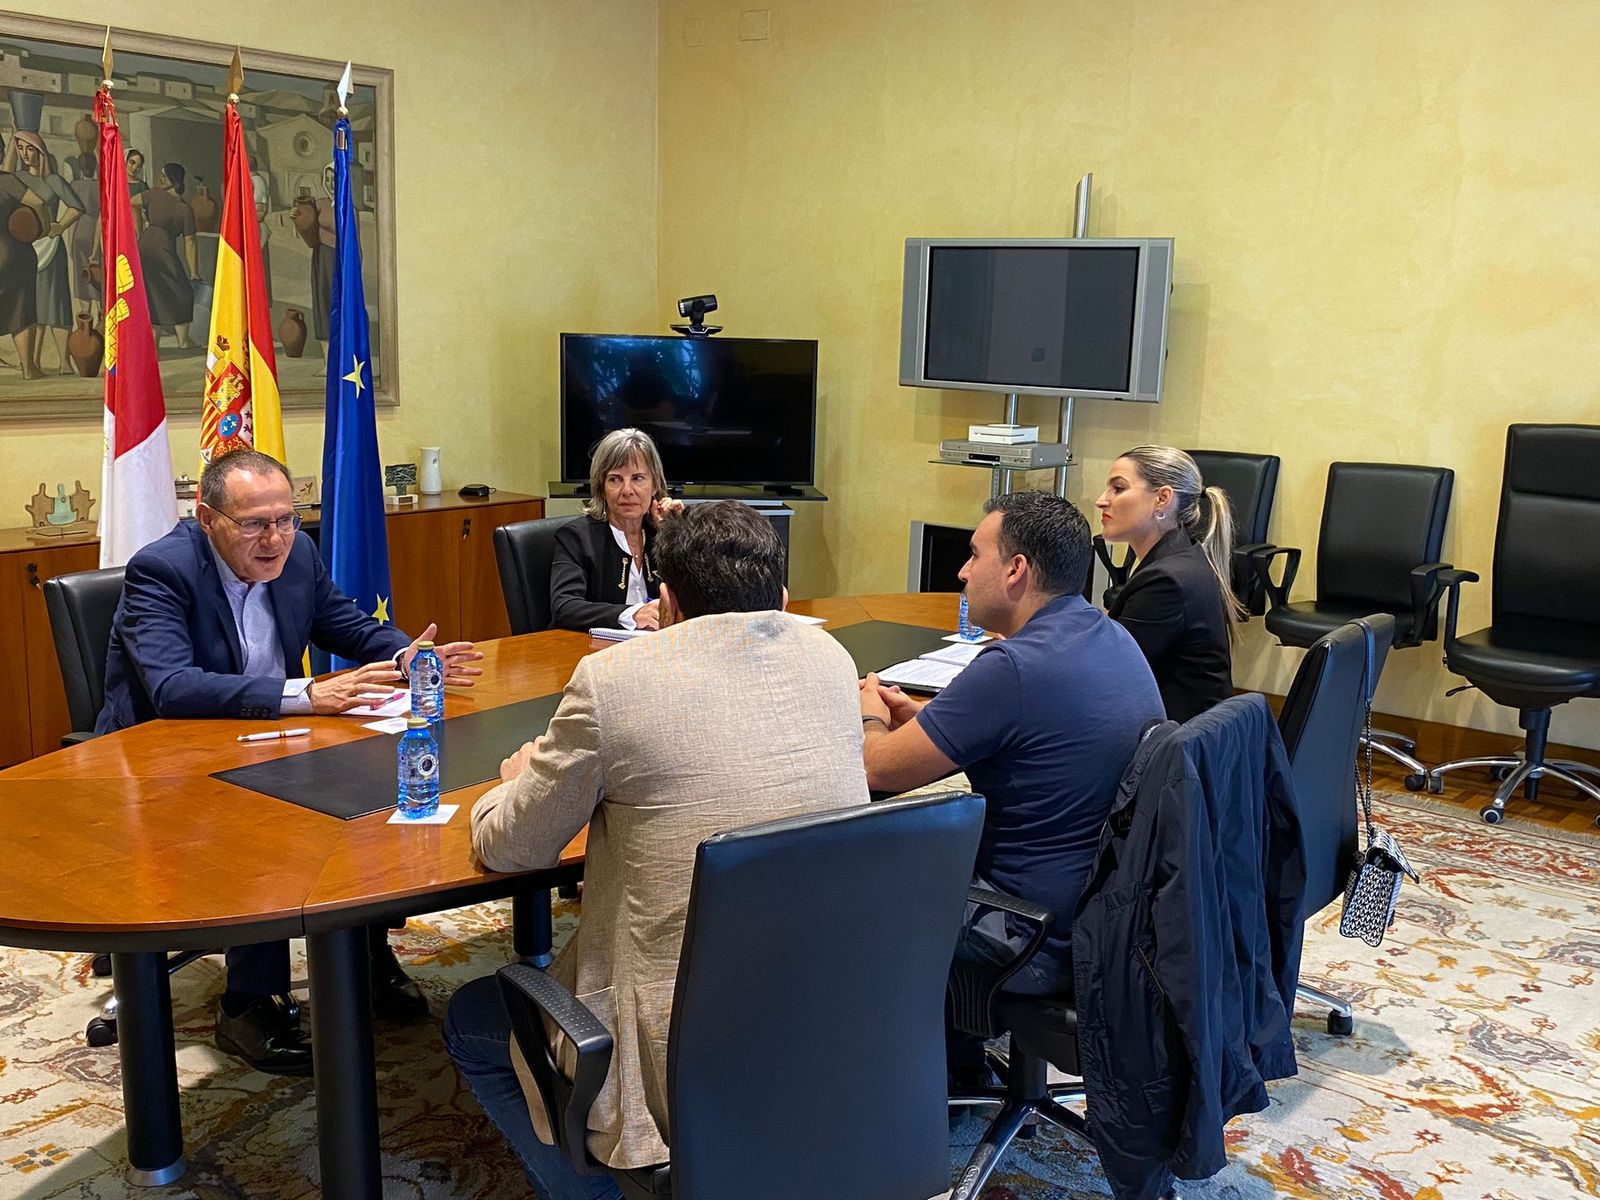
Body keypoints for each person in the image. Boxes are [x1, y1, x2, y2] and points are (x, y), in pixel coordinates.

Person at [444, 501, 867, 1196]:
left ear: (665, 603)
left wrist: (510, 783)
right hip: (822, 1006)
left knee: (472, 1018)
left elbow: (512, 848)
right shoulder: (830, 657)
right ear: (782, 598)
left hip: (674, 1050)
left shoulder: (617, 683)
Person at [97, 448, 485, 1074]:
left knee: (371, 788)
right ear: (208, 519)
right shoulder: (160, 571)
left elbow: (347, 627)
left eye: (286, 518)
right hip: (165, 758)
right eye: (255, 524)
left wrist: (406, 655)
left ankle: (362, 949)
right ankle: (250, 1005)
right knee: (266, 832)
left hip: (267, 736)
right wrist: (305, 694)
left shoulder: (299, 554)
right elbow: (171, 687)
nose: (276, 538)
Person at [858, 490, 1162, 1015]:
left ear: (1016, 569)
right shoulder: (1110, 634)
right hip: (1105, 913)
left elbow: (876, 770)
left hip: (1026, 930)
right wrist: (925, 723)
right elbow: (1034, 744)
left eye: (975, 555)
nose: (962, 572)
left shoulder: (1012, 667)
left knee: (844, 887)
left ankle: (915, 1062)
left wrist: (871, 715)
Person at [1095, 445, 1241, 723]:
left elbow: (1104, 671)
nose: (1102, 501)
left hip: (1173, 749)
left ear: (1162, 498)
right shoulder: (1184, 557)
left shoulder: (1167, 581)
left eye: (1118, 489)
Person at [549, 427, 684, 632]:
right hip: (594, 651)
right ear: (602, 488)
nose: (627, 490)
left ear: (655, 485)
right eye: (615, 479)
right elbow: (565, 607)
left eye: (638, 478)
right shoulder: (576, 537)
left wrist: (673, 533)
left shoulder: (660, 532)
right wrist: (634, 615)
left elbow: (699, 597)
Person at [137, 162, 200, 348]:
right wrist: (194, 272)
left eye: (165, 175)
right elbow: (190, 242)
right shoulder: (180, 206)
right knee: (183, 292)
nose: (161, 178)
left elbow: (190, 242)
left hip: (148, 248)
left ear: (174, 178)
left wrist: (141, 228)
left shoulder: (177, 206)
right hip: (161, 249)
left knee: (154, 292)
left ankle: (164, 342)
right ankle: (183, 341)